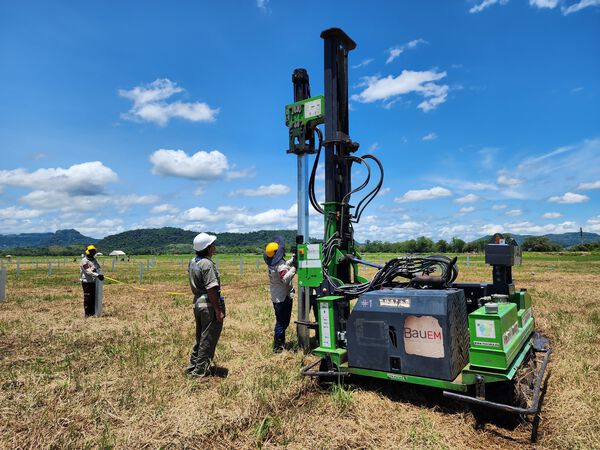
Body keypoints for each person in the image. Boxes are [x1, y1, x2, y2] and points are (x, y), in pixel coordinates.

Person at [186, 232, 225, 378]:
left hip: (197, 303)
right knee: (208, 339)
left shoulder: (193, 261)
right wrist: (218, 310)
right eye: (212, 244)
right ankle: (199, 372)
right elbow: (211, 288)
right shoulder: (207, 264)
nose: (214, 247)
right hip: (208, 305)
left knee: (200, 337)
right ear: (208, 248)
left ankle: (193, 366)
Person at [263, 236, 297, 351]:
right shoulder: (280, 265)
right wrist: (294, 268)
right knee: (282, 322)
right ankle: (278, 347)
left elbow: (282, 265)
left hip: (276, 296)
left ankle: (279, 345)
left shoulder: (272, 264)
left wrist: (292, 261)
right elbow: (285, 278)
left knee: (280, 321)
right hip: (283, 297)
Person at [80, 244, 104, 317]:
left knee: (94, 297)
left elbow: (97, 267)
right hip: (87, 282)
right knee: (88, 298)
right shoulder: (84, 261)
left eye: (94, 252)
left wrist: (98, 273)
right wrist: (97, 275)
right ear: (88, 252)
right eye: (92, 252)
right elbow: (88, 271)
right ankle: (87, 314)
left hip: (94, 282)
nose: (93, 253)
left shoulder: (94, 260)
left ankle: (93, 312)